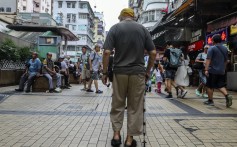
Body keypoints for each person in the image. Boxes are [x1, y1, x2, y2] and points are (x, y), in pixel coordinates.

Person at [102, 8, 156, 147]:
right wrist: (148, 71)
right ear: (133, 17)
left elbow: (107, 52)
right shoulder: (143, 29)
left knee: (117, 104)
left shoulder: (114, 28)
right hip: (137, 73)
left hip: (119, 72)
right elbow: (153, 53)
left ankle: (116, 135)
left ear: (121, 16)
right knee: (135, 107)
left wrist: (104, 73)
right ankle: (129, 140)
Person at [204, 34, 232, 107]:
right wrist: (223, 68)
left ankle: (210, 101)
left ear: (213, 40)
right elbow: (226, 60)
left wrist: (206, 69)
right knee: (220, 85)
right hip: (221, 70)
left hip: (212, 70)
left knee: (209, 86)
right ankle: (227, 95)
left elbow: (208, 59)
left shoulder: (211, 48)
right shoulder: (225, 48)